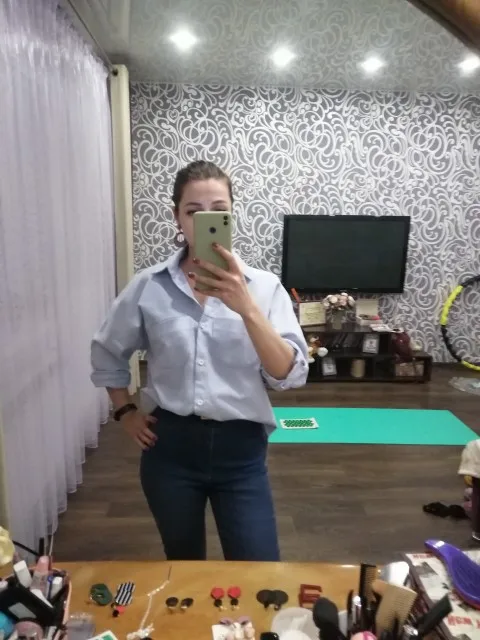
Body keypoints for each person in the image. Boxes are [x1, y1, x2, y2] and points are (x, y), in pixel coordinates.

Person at [91, 160, 309, 561]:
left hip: (241, 452)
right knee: (184, 564)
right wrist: (125, 412)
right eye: (194, 211)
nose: (206, 220)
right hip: (169, 450)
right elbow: (107, 350)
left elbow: (288, 374)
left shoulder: (264, 288)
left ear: (231, 216)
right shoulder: (149, 286)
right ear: (177, 217)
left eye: (219, 211)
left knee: (259, 568)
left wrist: (246, 307)